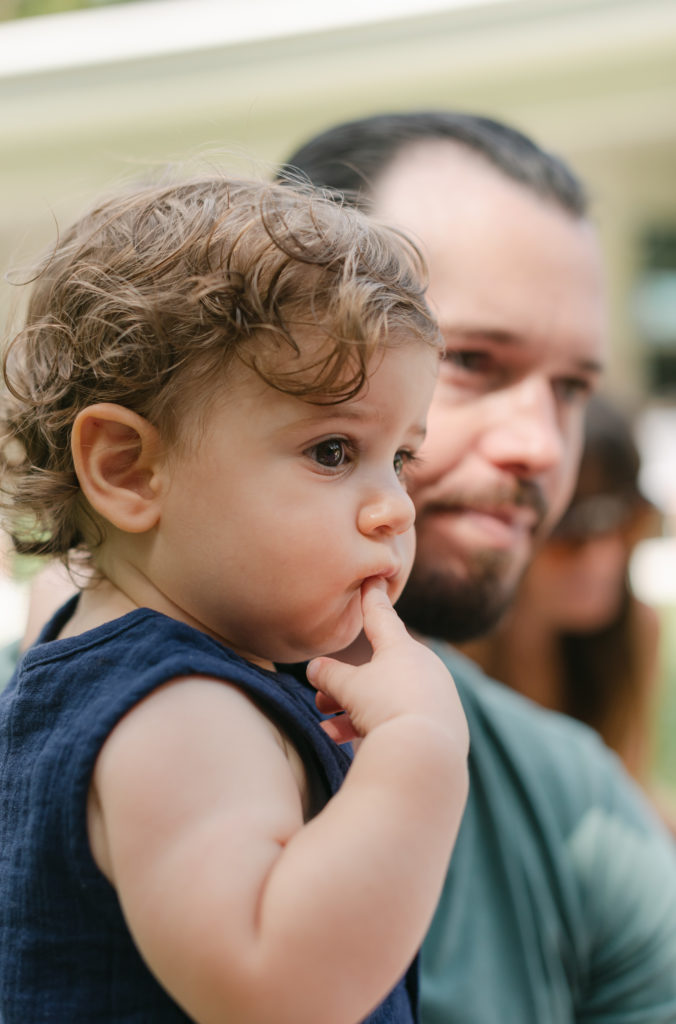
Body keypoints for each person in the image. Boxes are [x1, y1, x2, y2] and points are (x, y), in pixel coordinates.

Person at [0, 175, 469, 1023]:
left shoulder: (126, 653)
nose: (393, 508)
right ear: (127, 469)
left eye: (401, 458)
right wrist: (420, 752)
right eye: (331, 451)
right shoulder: (179, 712)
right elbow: (277, 991)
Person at [281, 111, 676, 1022]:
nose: (541, 447)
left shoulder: (573, 805)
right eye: (467, 360)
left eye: (572, 387)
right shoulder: (29, 735)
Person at [459, 393, 662, 781]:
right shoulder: (452, 656)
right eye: (573, 530)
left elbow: (628, 791)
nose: (604, 556)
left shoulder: (636, 629)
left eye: (624, 519)